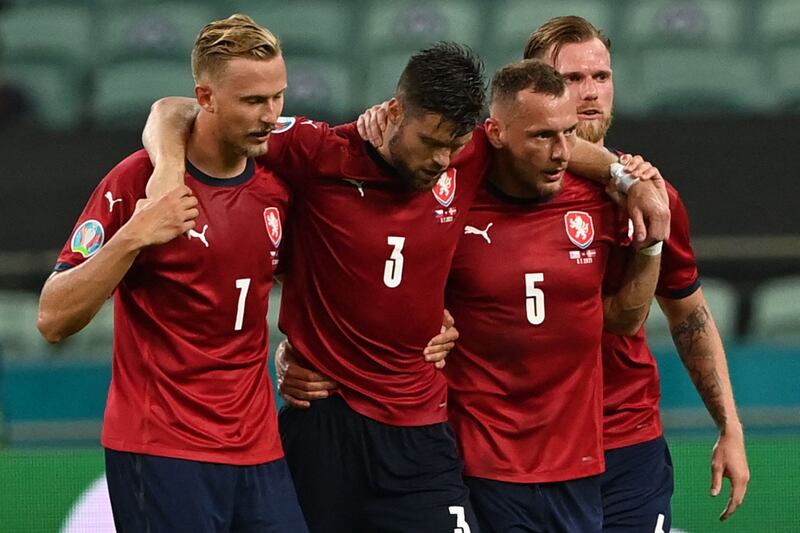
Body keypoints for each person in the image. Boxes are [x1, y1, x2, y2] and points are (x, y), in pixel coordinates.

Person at [142, 42, 670, 533]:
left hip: (421, 428)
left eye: (454, 146)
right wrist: (168, 170)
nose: (442, 160)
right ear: (395, 113)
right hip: (326, 416)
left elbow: (554, 147)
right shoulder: (318, 149)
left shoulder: (470, 154)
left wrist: (628, 181)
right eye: (431, 142)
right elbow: (177, 110)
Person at [37, 15, 309, 532]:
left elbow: (310, 275)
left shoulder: (279, 183)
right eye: (253, 101)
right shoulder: (137, 179)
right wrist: (136, 234)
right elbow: (53, 317)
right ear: (205, 98)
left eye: (278, 97)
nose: (271, 115)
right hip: (161, 447)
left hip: (258, 446)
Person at [525, 15, 750, 529]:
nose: (590, 93)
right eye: (571, 79)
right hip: (521, 448)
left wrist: (729, 427)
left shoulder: (653, 197)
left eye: (600, 77)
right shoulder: (488, 190)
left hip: (627, 442)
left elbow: (689, 315)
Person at [445, 59, 664, 533]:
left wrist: (652, 244)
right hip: (479, 466)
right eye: (543, 136)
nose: (562, 152)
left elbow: (624, 321)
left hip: (578, 467)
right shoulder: (451, 202)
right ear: (495, 133)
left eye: (568, 133)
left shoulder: (603, 199)